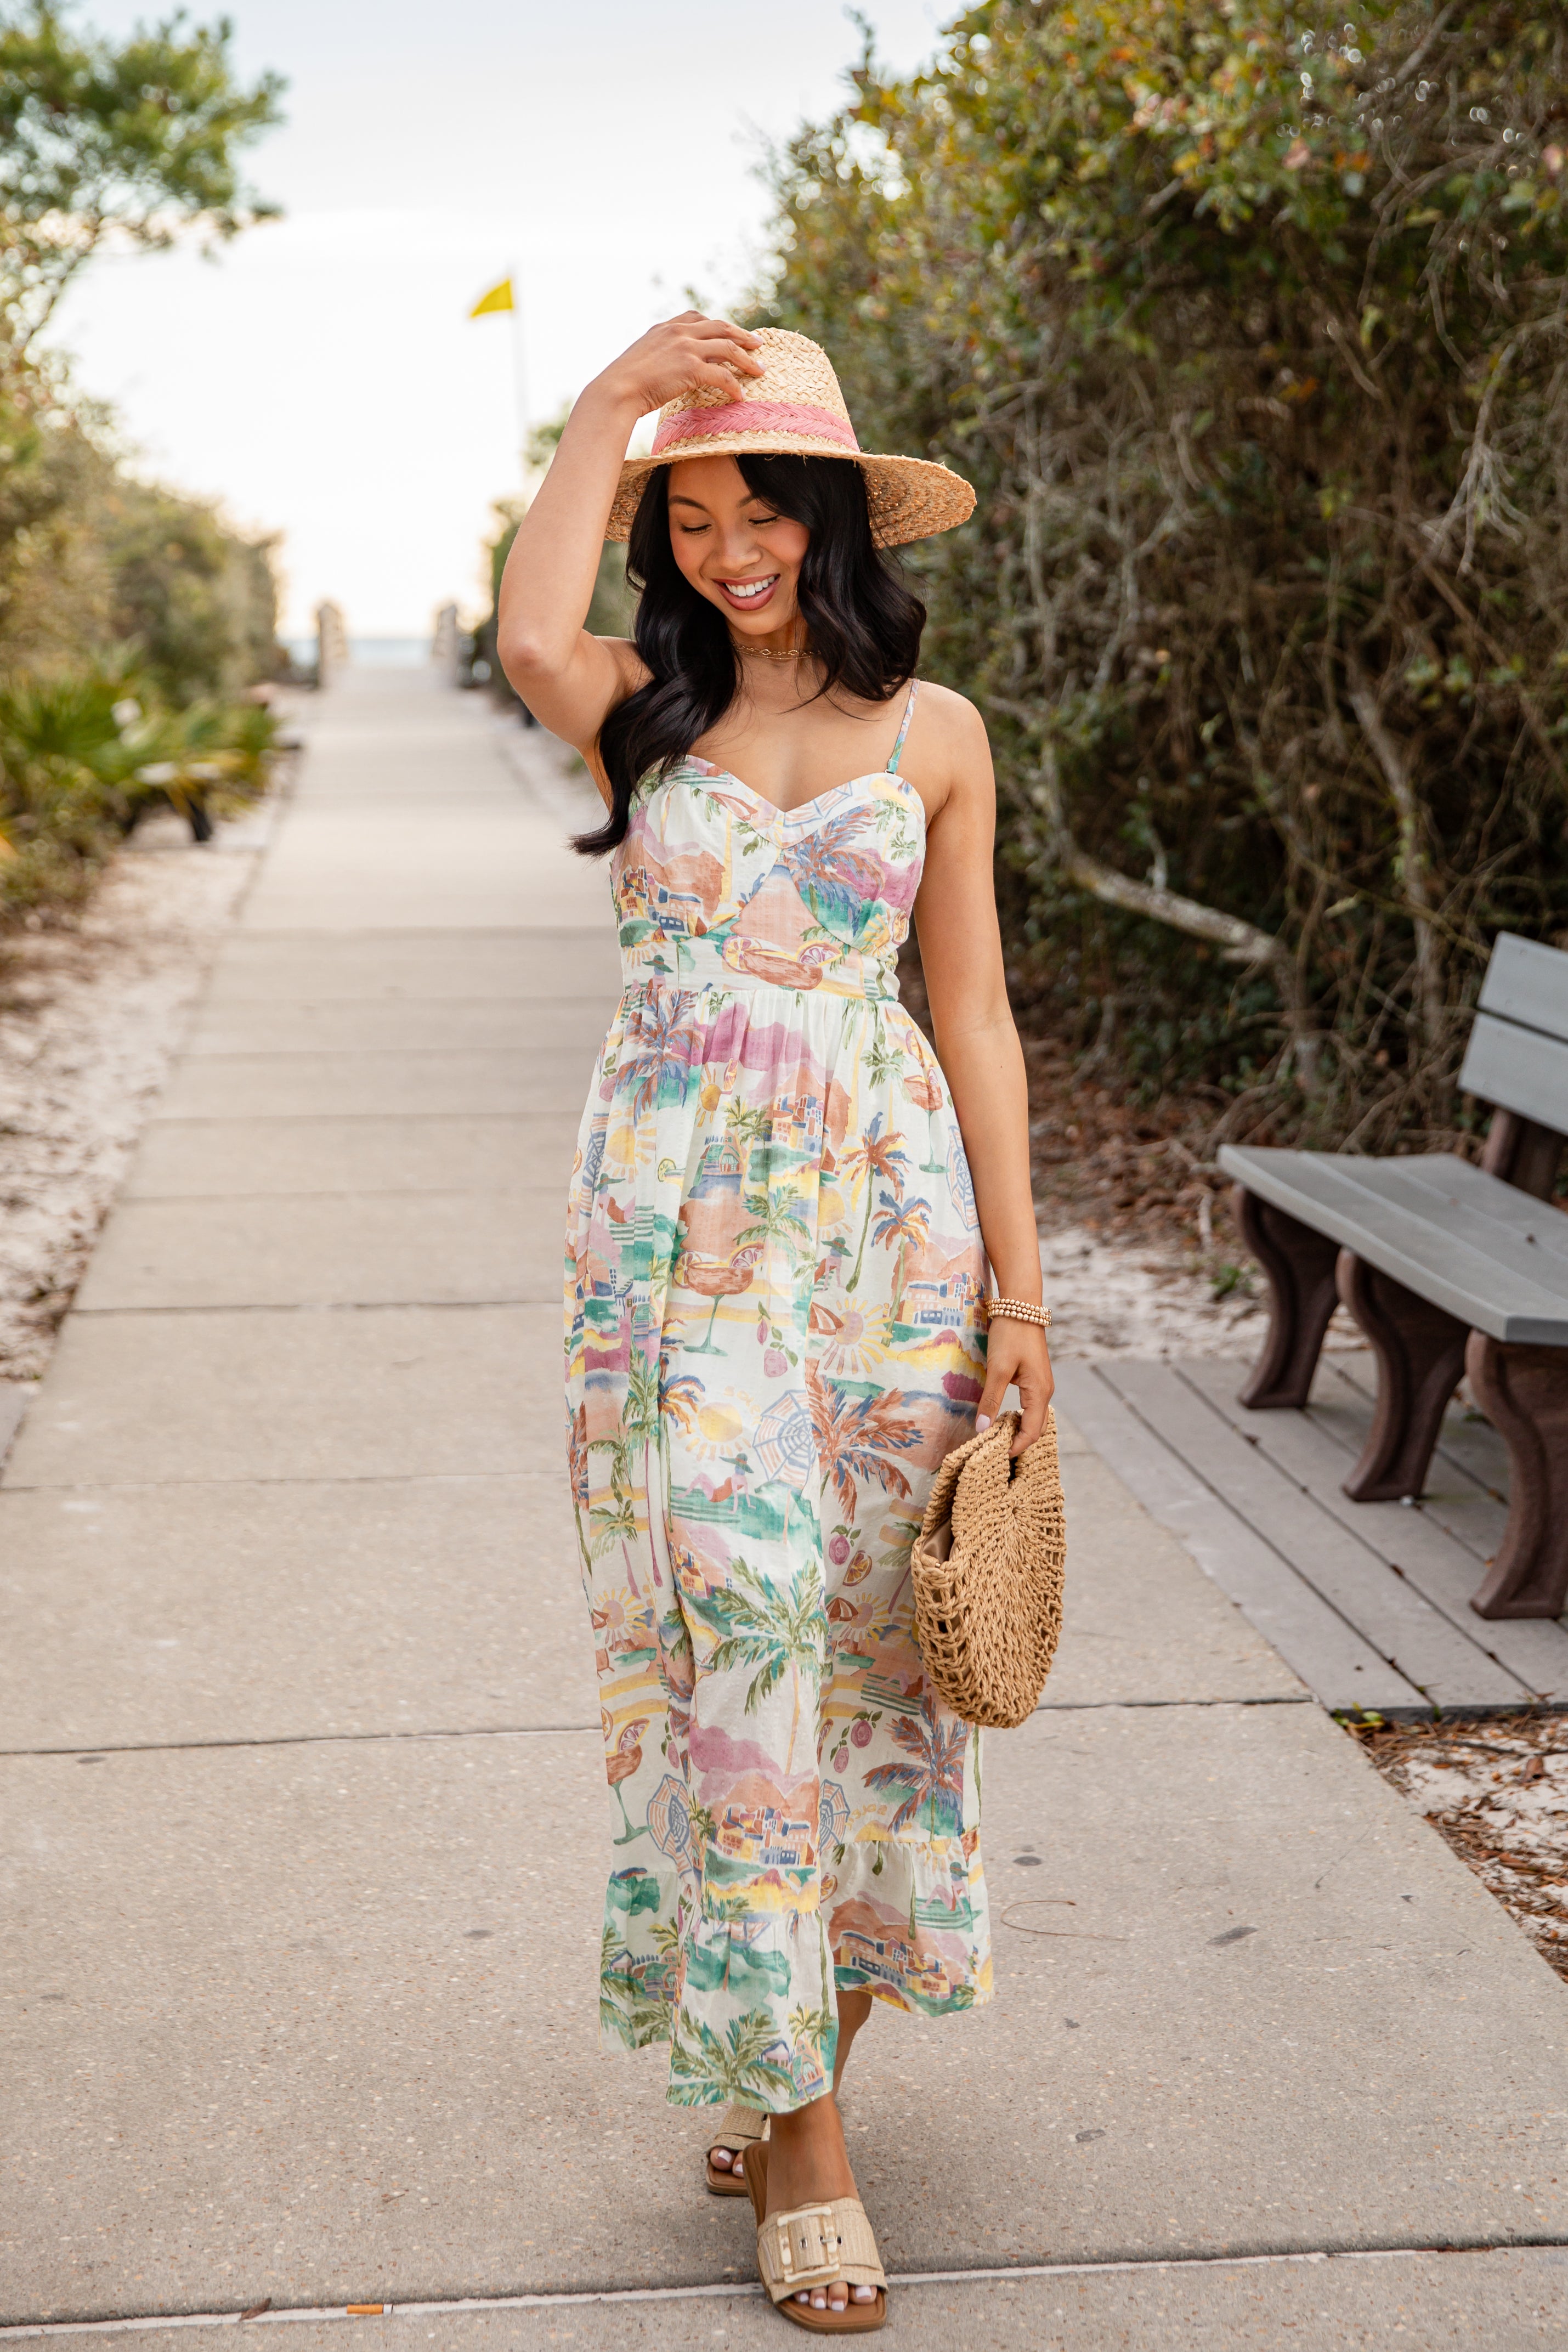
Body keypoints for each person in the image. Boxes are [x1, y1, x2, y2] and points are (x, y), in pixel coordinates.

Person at [498, 317, 1053, 2334]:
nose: (733, 551)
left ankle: (784, 2047)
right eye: (697, 516)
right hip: (669, 1251)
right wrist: (602, 415)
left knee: (870, 1660)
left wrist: (1020, 1287)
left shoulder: (942, 737)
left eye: (764, 510)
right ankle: (803, 2151)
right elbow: (525, 618)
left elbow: (972, 1014)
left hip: (890, 1243)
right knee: (729, 1646)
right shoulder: (635, 702)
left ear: (830, 519)